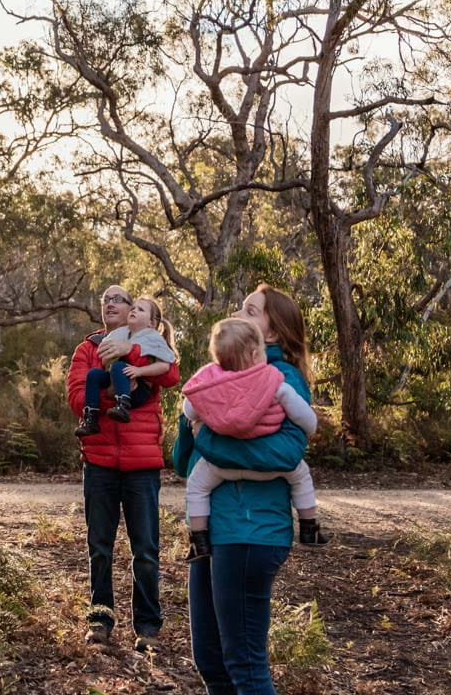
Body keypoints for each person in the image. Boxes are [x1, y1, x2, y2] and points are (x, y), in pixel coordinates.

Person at [171, 284, 312, 694]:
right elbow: (183, 462)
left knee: (245, 666)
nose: (238, 313)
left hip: (249, 532)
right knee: (212, 662)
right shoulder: (217, 378)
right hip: (211, 530)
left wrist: (207, 438)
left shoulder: (279, 378)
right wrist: (190, 415)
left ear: (272, 334)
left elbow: (287, 451)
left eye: (251, 310)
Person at [67, 284, 182, 652]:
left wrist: (129, 353)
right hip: (99, 462)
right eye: (105, 299)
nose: (111, 303)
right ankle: (100, 619)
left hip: (142, 463)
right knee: (99, 546)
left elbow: (169, 375)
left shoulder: (148, 340)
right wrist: (117, 384)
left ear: (134, 309)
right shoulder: (88, 349)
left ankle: (147, 627)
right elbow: (75, 398)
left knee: (145, 549)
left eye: (119, 299)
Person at [179, 318, 321, 561]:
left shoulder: (211, 381)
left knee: (197, 486)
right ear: (256, 354)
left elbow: (189, 409)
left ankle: (198, 540)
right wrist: (309, 428)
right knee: (300, 475)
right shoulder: (274, 381)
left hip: (221, 467)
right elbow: (307, 420)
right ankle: (309, 527)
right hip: (271, 468)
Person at [76, 297, 177, 436]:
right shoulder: (119, 335)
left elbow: (166, 367)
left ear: (151, 322)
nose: (134, 310)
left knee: (119, 367)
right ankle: (91, 417)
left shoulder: (153, 338)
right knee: (93, 374)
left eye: (140, 309)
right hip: (116, 379)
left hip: (138, 390)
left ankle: (123, 406)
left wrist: (139, 370)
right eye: (134, 308)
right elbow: (104, 360)